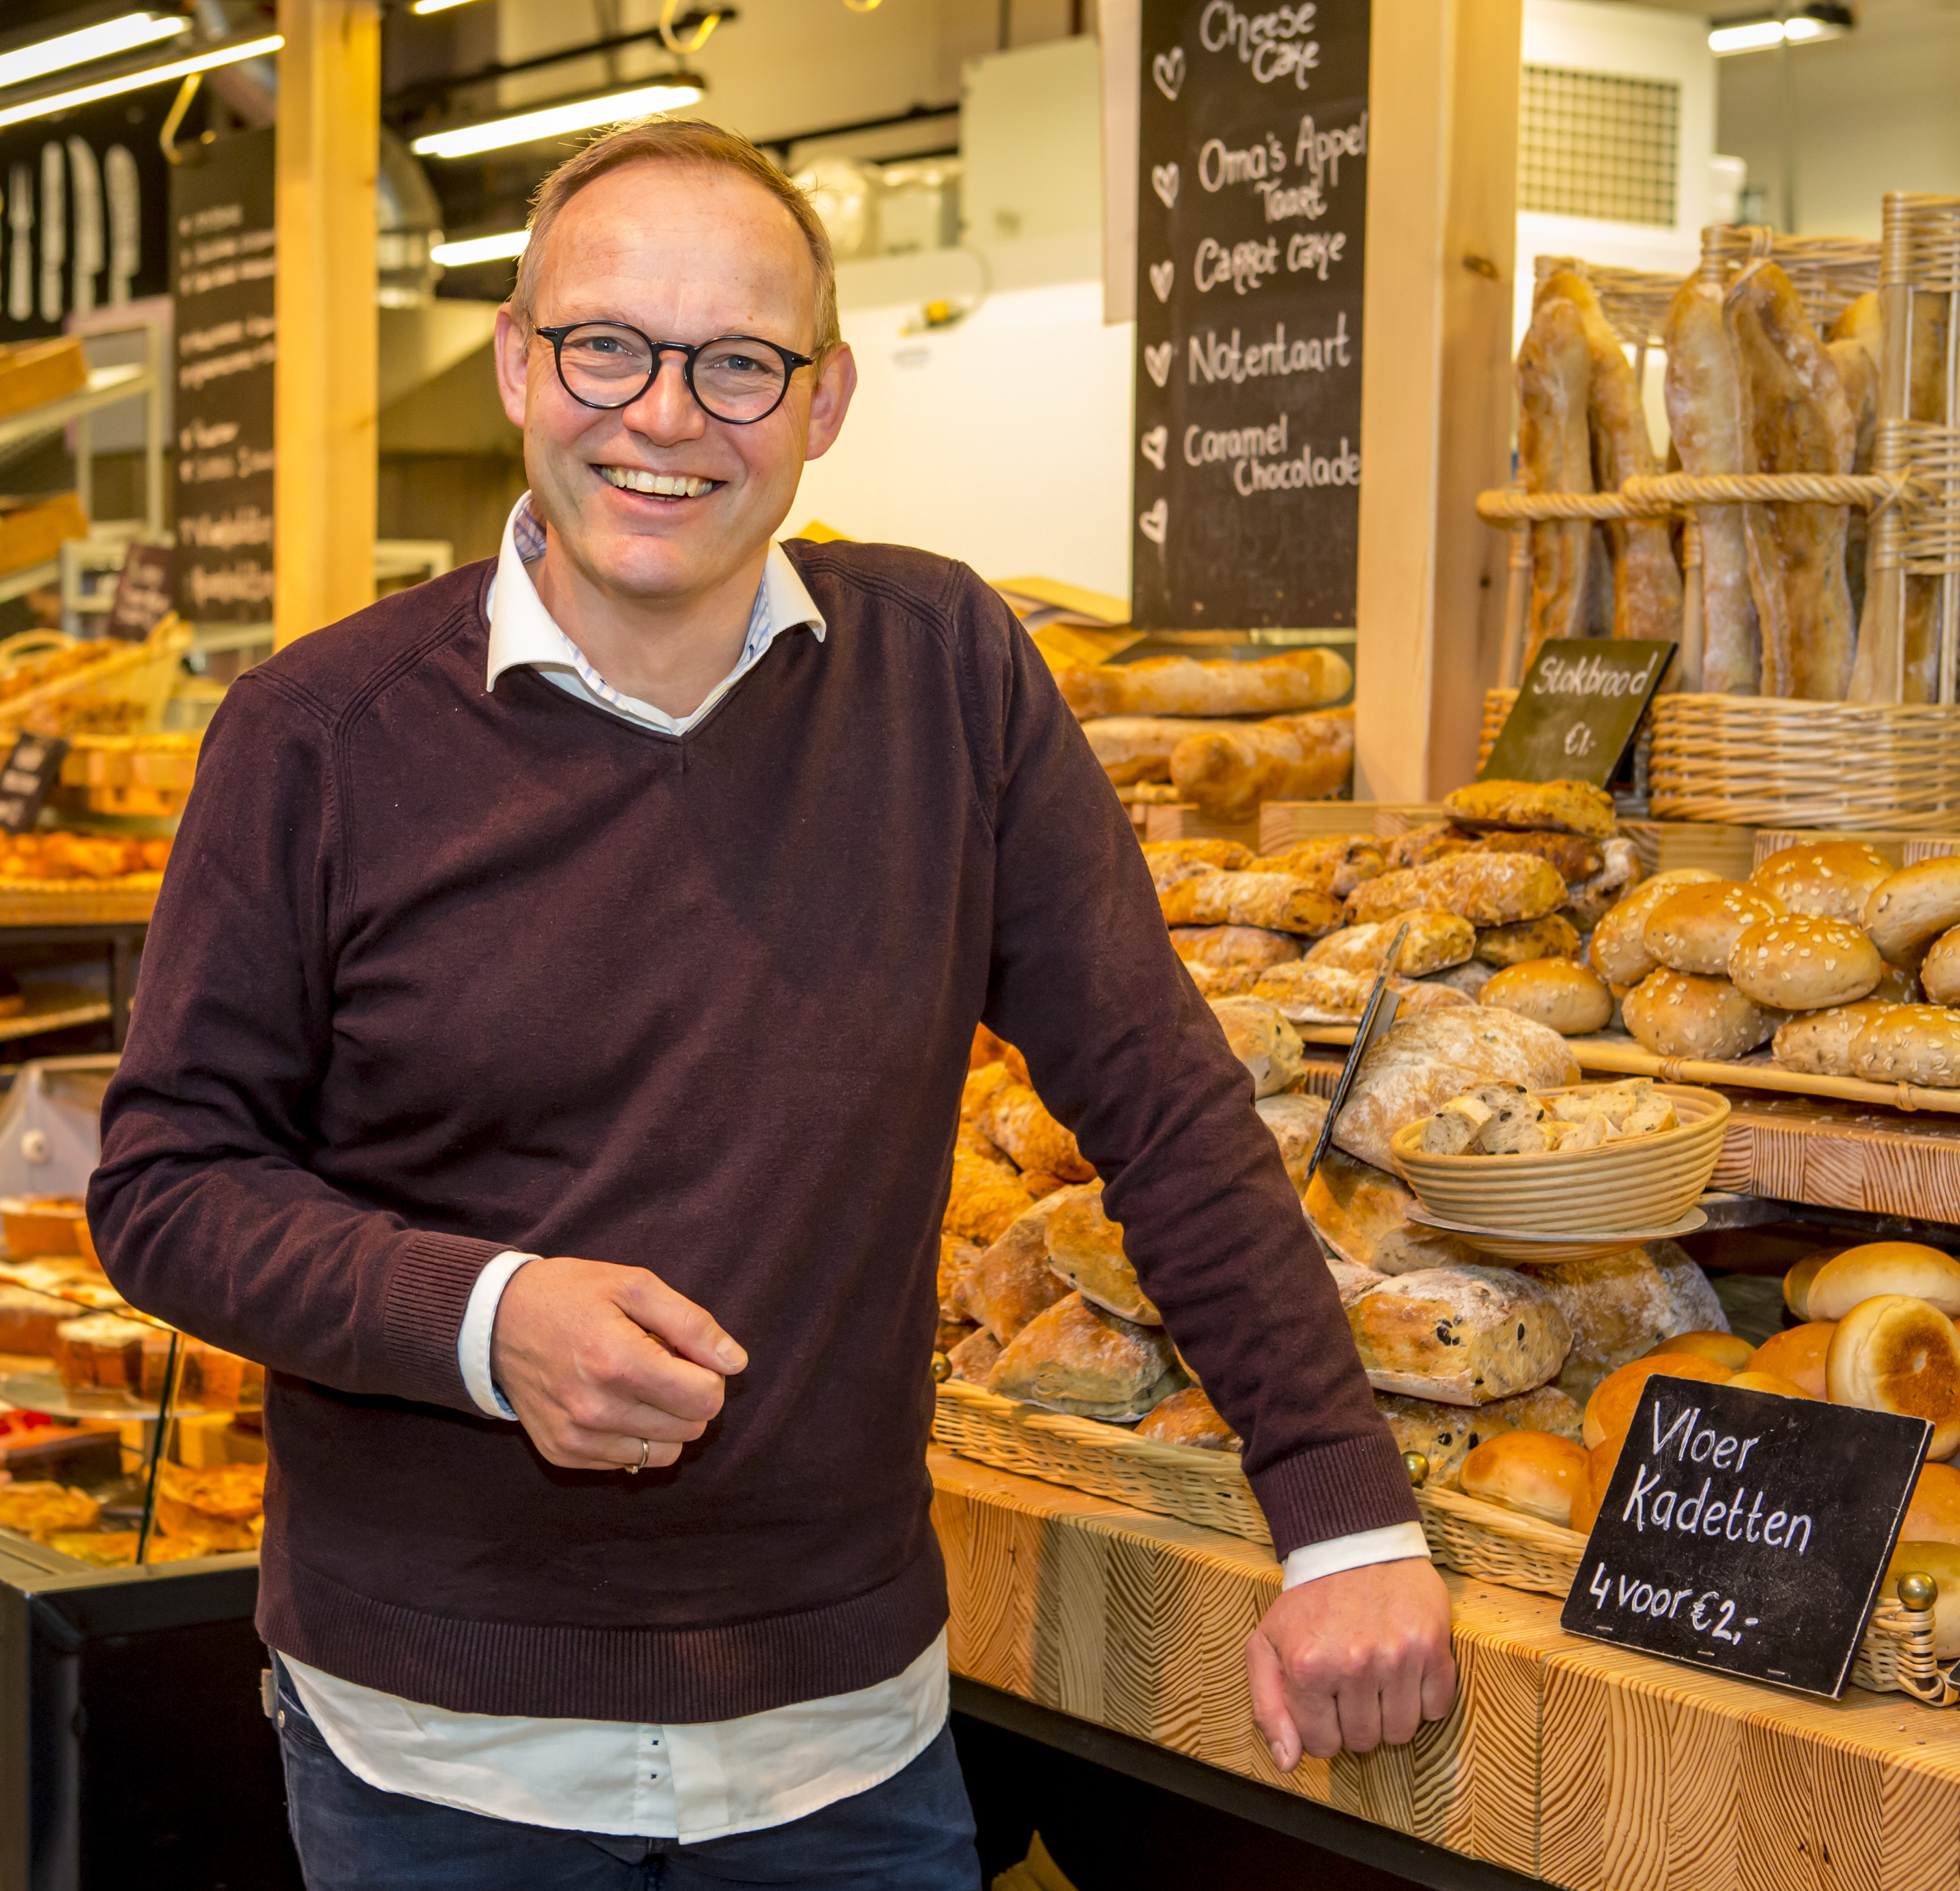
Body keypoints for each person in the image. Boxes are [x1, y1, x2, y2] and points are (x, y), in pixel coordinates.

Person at [89, 117, 1450, 1890]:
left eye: (738, 363)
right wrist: (484, 1318)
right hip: (436, 1755)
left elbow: (1158, 1100)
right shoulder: (319, 733)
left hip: (842, 1745)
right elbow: (167, 1181)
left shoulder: (946, 673)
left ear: (821, 403)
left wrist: (1341, 1512)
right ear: (518, 364)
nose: (663, 415)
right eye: (606, 345)